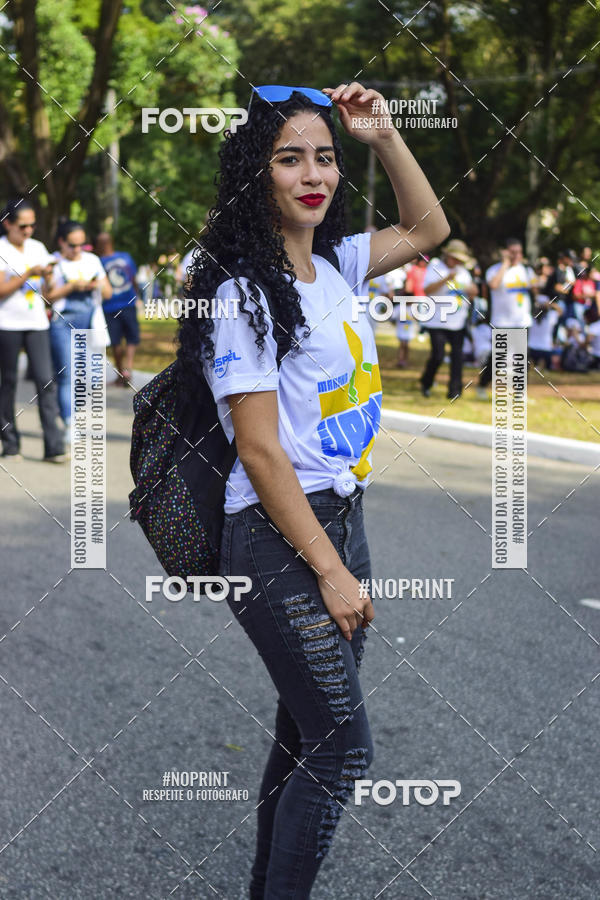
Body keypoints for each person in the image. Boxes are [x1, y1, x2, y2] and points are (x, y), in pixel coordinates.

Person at [176, 81, 449, 898]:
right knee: (342, 750)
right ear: (255, 176)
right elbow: (259, 454)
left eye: (325, 157)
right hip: (277, 538)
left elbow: (430, 227)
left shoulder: (337, 262)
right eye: (289, 157)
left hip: (340, 519)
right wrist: (330, 569)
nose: (313, 174)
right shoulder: (242, 295)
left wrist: (384, 137)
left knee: (305, 738)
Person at [0, 198, 66, 461]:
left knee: (45, 380)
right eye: (23, 226)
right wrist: (28, 273)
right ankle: (10, 443)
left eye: (32, 225)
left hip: (37, 323)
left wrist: (48, 277)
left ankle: (54, 446)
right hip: (7, 324)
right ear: (7, 224)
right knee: (8, 383)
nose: (28, 231)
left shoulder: (38, 247)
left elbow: (49, 296)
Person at [47, 221, 112, 428]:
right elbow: (47, 297)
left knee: (92, 377)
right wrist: (72, 286)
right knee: (67, 374)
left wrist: (97, 285)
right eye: (72, 245)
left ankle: (75, 413)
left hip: (90, 322)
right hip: (63, 323)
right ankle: (69, 422)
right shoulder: (52, 262)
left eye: (82, 245)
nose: (77, 250)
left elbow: (108, 293)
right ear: (61, 242)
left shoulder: (92, 260)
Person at [477, 238, 536, 397]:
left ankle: (519, 393)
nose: (516, 255)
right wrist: (505, 264)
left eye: (519, 252)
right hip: (502, 321)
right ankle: (482, 385)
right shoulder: (494, 270)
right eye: (513, 252)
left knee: (522, 358)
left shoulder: (526, 271)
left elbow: (534, 289)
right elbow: (493, 285)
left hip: (522, 320)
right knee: (498, 357)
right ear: (505, 252)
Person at [419, 238, 476, 399]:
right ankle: (426, 382)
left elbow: (473, 290)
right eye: (454, 258)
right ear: (447, 255)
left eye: (459, 259)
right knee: (438, 355)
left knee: (457, 356)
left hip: (458, 321)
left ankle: (455, 391)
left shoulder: (463, 271)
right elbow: (427, 289)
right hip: (437, 320)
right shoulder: (435, 266)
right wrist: (447, 279)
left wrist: (473, 290)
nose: (456, 262)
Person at [95, 233, 140, 386]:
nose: (104, 244)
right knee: (115, 341)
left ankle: (127, 369)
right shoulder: (98, 262)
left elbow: (133, 278)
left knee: (130, 338)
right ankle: (123, 372)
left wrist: (137, 296)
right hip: (109, 306)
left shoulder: (125, 256)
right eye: (101, 241)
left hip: (127, 304)